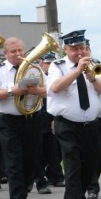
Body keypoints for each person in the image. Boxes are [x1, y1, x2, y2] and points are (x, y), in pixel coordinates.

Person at [46, 30, 101, 199]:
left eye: (82, 48)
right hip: (67, 124)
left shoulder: (95, 65)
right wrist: (76, 72)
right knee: (73, 165)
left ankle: (72, 198)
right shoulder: (57, 66)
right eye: (74, 49)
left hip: (91, 124)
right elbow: (55, 88)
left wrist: (92, 78)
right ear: (65, 49)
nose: (79, 52)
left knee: (91, 165)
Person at [0, 37, 48, 199]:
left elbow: (50, 90)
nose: (18, 54)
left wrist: (36, 91)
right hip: (8, 121)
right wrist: (12, 91)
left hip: (32, 118)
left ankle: (25, 187)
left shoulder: (33, 68)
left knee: (30, 159)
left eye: (20, 50)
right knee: (13, 162)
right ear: (6, 54)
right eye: (13, 51)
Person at [83, 41, 101, 199]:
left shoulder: (98, 65)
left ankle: (91, 179)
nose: (84, 52)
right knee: (89, 153)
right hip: (83, 117)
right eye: (81, 49)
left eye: (86, 49)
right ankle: (92, 186)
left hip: (100, 115)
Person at [38, 52, 64, 187]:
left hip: (52, 114)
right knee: (41, 148)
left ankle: (55, 174)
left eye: (51, 63)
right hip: (40, 115)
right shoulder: (38, 75)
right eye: (47, 63)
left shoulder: (56, 77)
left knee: (55, 147)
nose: (49, 65)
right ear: (42, 64)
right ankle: (41, 174)